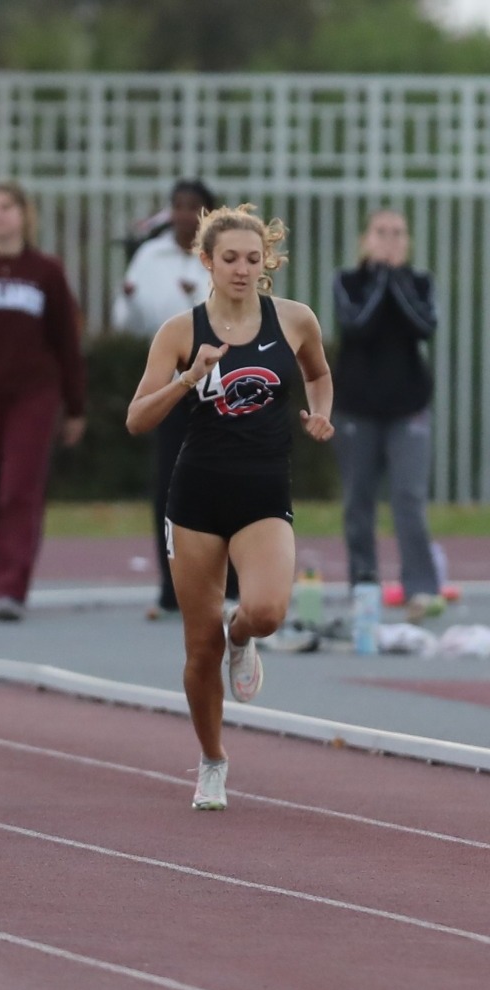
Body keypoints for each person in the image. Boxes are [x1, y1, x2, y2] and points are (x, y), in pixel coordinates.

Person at [125, 204, 333, 812]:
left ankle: (243, 635)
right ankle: (212, 760)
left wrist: (322, 412)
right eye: (230, 259)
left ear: (266, 261)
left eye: (253, 258)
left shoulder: (293, 320)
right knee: (198, 651)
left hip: (264, 492)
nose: (243, 269)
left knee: (266, 611)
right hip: (196, 498)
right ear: (208, 263)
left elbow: (318, 373)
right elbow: (137, 419)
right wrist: (189, 377)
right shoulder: (180, 330)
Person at [0, 181, 88, 621]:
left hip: (33, 396)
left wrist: (76, 406)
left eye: (6, 207)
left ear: (24, 215)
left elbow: (66, 342)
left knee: (19, 488)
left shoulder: (45, 271)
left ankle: (12, 587)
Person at [116, 178, 220, 619]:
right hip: (171, 381)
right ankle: (170, 585)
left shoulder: (220, 257)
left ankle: (224, 583)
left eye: (192, 207)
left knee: (221, 481)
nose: (182, 215)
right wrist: (135, 303)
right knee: (170, 481)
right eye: (176, 206)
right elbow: (127, 324)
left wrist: (195, 299)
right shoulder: (149, 256)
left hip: (217, 385)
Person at [333, 210, 443, 620]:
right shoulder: (348, 282)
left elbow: (424, 325)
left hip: (407, 408)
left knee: (408, 497)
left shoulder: (420, 283)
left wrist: (396, 280)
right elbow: (355, 324)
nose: (390, 240)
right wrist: (380, 277)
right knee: (358, 500)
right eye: (381, 232)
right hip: (357, 409)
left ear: (409, 240)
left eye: (398, 232)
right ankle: (364, 582)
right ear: (366, 239)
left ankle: (421, 587)